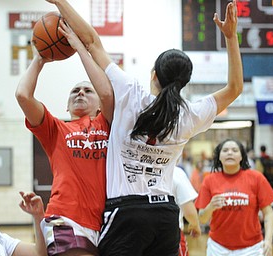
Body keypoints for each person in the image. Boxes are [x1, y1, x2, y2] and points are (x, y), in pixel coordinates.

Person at [47, 0, 243, 255]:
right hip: (166, 216)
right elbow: (235, 88)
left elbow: (92, 41)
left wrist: (60, 3)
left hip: (128, 213)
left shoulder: (131, 93)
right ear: (184, 82)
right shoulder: (189, 115)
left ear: (153, 74)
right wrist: (230, 37)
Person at [15, 32, 114, 255]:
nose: (80, 92)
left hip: (105, 220)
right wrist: (39, 59)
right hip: (65, 217)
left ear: (100, 104)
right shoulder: (56, 129)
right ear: (66, 107)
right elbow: (23, 95)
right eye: (74, 91)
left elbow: (108, 92)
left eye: (88, 90)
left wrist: (81, 49)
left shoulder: (107, 123)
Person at [195, 139, 273, 256]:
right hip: (218, 247)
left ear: (241, 156)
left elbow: (268, 213)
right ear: (219, 157)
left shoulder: (256, 178)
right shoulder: (209, 180)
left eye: (234, 150)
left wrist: (268, 241)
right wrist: (210, 207)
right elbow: (202, 219)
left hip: (251, 248)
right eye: (225, 150)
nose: (229, 153)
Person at [172, 167, 201, 256]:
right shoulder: (176, 172)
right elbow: (189, 209)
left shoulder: (132, 170)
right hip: (171, 233)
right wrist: (195, 225)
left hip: (137, 233)